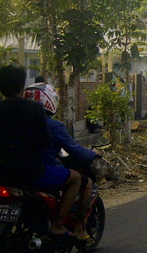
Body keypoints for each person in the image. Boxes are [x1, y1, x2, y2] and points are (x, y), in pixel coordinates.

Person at [0, 66, 84, 240]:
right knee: (76, 178)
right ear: (22, 86)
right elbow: (44, 142)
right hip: (32, 172)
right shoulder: (34, 109)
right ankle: (59, 225)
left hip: (3, 174)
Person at [23, 82, 99, 242]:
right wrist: (93, 153)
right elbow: (76, 151)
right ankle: (63, 225)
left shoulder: (17, 120)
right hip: (42, 171)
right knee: (79, 180)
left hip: (15, 172)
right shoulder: (53, 125)